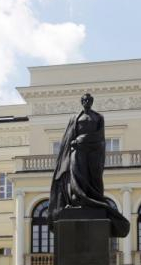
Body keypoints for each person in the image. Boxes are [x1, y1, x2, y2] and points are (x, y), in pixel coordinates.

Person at [48, 92, 129, 238]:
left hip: (92, 152)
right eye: (84, 100)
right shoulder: (75, 118)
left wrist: (82, 139)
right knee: (76, 174)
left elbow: (99, 136)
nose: (86, 102)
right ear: (81, 102)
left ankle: (92, 200)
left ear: (92, 102)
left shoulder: (98, 117)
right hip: (77, 151)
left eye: (89, 100)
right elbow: (68, 138)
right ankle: (77, 200)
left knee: (92, 177)